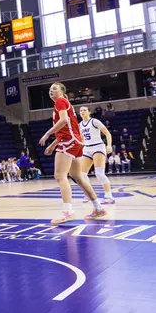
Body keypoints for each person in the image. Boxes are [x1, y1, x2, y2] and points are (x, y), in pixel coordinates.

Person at [38, 83, 106, 225]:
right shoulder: (63, 103)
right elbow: (68, 127)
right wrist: (53, 144)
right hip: (75, 142)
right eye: (50, 89)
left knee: (60, 176)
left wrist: (47, 134)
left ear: (62, 91)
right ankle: (98, 208)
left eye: (54, 88)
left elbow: (63, 121)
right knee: (77, 176)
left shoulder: (60, 101)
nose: (51, 91)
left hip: (69, 142)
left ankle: (68, 212)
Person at [78, 107, 115, 205]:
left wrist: (109, 145)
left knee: (99, 173)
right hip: (86, 148)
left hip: (98, 147)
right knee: (82, 174)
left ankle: (109, 196)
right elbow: (81, 139)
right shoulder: (80, 125)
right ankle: (89, 194)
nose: (82, 112)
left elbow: (107, 133)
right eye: (81, 110)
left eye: (84, 110)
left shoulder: (94, 121)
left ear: (89, 112)